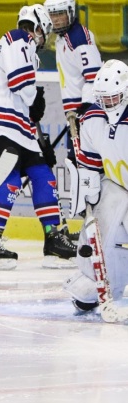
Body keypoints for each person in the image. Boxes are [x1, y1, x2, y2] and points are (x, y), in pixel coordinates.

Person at [0, 4, 77, 270]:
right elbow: (21, 87)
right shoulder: (19, 39)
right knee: (10, 177)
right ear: (38, 27)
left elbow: (22, 98)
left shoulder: (23, 47)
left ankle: (53, 238)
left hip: (16, 127)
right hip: (1, 125)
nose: (43, 38)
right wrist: (33, 97)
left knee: (43, 174)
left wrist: (37, 139)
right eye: (44, 31)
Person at [63, 59, 128, 313]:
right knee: (98, 226)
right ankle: (93, 280)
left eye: (112, 98)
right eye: (102, 98)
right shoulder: (91, 119)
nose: (106, 104)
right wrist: (87, 195)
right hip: (116, 185)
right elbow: (89, 166)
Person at [44, 0, 102, 163]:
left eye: (60, 14)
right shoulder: (62, 38)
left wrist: (83, 112)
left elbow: (94, 79)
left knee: (85, 166)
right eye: (52, 15)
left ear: (70, 12)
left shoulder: (79, 39)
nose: (56, 19)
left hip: (85, 116)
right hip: (75, 115)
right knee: (74, 163)